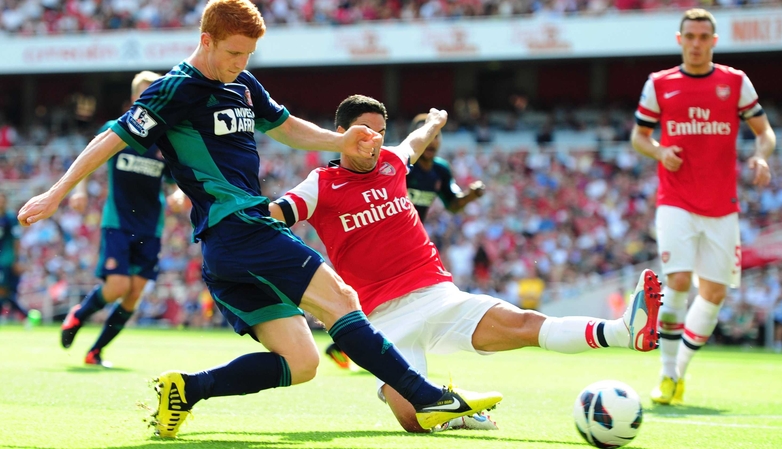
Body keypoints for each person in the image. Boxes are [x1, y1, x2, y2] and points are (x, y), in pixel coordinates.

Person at [16, 0, 501, 438]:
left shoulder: (242, 83)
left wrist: (340, 142)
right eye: (233, 53)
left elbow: (286, 127)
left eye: (248, 54)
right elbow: (114, 137)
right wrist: (58, 192)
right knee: (342, 300)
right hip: (239, 225)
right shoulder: (175, 89)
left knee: (302, 361)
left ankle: (185, 390)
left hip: (228, 248)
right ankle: (429, 398)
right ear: (206, 40)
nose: (241, 63)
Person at [269, 94, 663, 433]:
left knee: (527, 324)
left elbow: (416, 141)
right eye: (363, 132)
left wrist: (436, 120)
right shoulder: (320, 184)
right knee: (413, 419)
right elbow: (273, 216)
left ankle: (622, 331)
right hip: (380, 321)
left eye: (379, 133)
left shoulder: (393, 161)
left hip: (437, 297)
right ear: (339, 133)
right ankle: (458, 413)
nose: (372, 142)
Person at [630, 8, 776, 405]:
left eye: (703, 37)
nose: (696, 44)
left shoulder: (734, 82)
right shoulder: (660, 84)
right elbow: (639, 137)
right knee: (676, 282)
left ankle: (678, 373)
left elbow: (765, 133)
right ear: (680, 41)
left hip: (722, 205)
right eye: (689, 37)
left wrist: (762, 155)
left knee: (713, 294)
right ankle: (664, 374)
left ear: (713, 41)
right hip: (675, 200)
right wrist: (660, 153)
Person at [324, 112, 486, 371]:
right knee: (383, 296)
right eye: (428, 135)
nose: (432, 141)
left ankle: (353, 345)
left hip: (409, 243)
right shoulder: (396, 166)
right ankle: (351, 342)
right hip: (380, 239)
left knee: (403, 296)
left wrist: (470, 196)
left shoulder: (440, 170)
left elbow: (453, 204)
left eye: (436, 135)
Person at [60, 70, 184, 367]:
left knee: (135, 293)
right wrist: (78, 190)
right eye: (143, 93)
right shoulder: (117, 129)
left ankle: (96, 352)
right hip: (119, 221)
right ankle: (79, 315)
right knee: (117, 286)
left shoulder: (165, 141)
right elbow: (88, 159)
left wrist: (177, 194)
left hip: (151, 226)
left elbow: (173, 181)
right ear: (133, 98)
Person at [0, 191, 28, 321]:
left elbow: (17, 240)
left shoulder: (11, 219)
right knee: (6, 292)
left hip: (6, 260)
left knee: (5, 290)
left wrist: (17, 260)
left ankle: (25, 315)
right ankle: (24, 315)